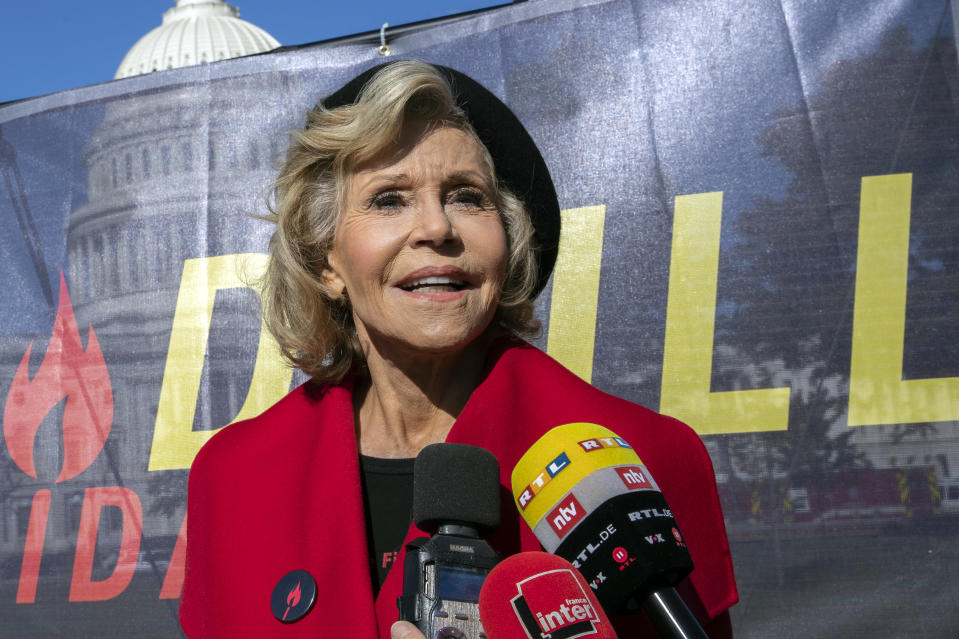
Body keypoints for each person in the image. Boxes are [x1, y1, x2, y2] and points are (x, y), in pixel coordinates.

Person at [178, 60, 738, 638]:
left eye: (467, 197)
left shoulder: (644, 458)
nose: (437, 228)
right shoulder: (233, 478)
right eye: (389, 199)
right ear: (326, 261)